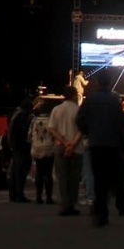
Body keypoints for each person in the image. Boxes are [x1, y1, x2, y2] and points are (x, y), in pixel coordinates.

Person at [76, 70, 124, 226]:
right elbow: (123, 125)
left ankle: (101, 213)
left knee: (99, 178)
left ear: (98, 82)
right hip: (113, 145)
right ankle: (116, 208)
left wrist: (89, 132)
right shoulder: (115, 101)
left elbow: (79, 120)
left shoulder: (90, 99)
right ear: (109, 82)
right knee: (114, 178)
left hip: (96, 144)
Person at [50, 84, 84, 217]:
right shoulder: (79, 110)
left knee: (62, 177)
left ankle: (64, 204)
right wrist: (72, 145)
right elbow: (82, 129)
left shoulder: (56, 109)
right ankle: (72, 203)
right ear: (75, 95)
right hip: (77, 148)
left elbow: (51, 128)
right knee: (74, 178)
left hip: (60, 146)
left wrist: (64, 142)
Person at [7, 97, 34, 203]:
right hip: (21, 147)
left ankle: (13, 194)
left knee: (15, 171)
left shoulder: (13, 115)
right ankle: (19, 194)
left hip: (14, 146)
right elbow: (24, 132)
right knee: (20, 171)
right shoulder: (22, 116)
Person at [30, 104, 56, 204]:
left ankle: (38, 197)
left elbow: (29, 136)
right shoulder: (51, 120)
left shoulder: (34, 121)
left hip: (37, 148)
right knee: (48, 173)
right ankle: (49, 198)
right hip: (49, 148)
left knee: (39, 173)